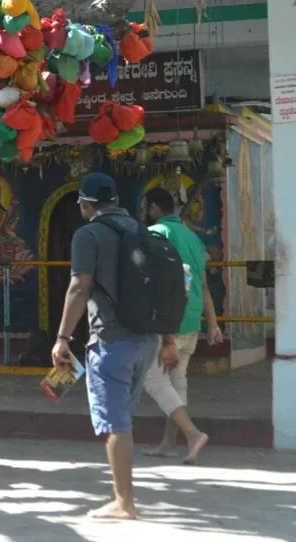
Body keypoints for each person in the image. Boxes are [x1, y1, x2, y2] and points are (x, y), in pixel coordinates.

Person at [51, 173, 177, 521]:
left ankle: (124, 504)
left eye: (80, 204)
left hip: (111, 342)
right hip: (147, 341)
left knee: (116, 425)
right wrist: (168, 340)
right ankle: (119, 493)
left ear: (87, 205)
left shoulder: (88, 234)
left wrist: (62, 339)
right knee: (124, 420)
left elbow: (79, 287)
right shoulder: (142, 231)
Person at [141, 187, 224, 463]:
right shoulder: (192, 237)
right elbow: (204, 285)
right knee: (177, 383)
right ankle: (169, 443)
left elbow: (149, 278)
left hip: (168, 323)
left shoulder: (157, 234)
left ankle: (192, 434)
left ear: (153, 208)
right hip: (192, 322)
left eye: (145, 207)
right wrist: (213, 324)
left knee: (153, 379)